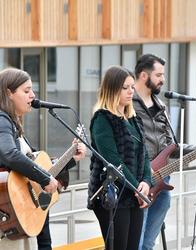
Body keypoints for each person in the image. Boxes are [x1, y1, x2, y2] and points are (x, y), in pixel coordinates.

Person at [133, 53, 196, 250]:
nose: (163, 80)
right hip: (139, 182)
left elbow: (172, 147)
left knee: (148, 244)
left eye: (163, 75)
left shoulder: (161, 108)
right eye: (158, 75)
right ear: (143, 76)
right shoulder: (128, 105)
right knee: (135, 244)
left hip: (162, 183)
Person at [0, 68, 86, 250]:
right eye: (26, 90)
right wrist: (44, 178)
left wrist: (72, 159)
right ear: (9, 93)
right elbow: (9, 154)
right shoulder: (2, 120)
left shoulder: (13, 123)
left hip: (26, 212)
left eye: (32, 90)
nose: (33, 95)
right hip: (12, 212)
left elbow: (35, 169)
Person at [87, 66, 151, 250]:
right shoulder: (102, 119)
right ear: (112, 89)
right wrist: (136, 189)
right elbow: (113, 161)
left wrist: (146, 181)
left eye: (132, 87)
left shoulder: (133, 118)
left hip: (135, 194)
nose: (131, 91)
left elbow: (144, 154)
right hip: (112, 196)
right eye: (125, 87)